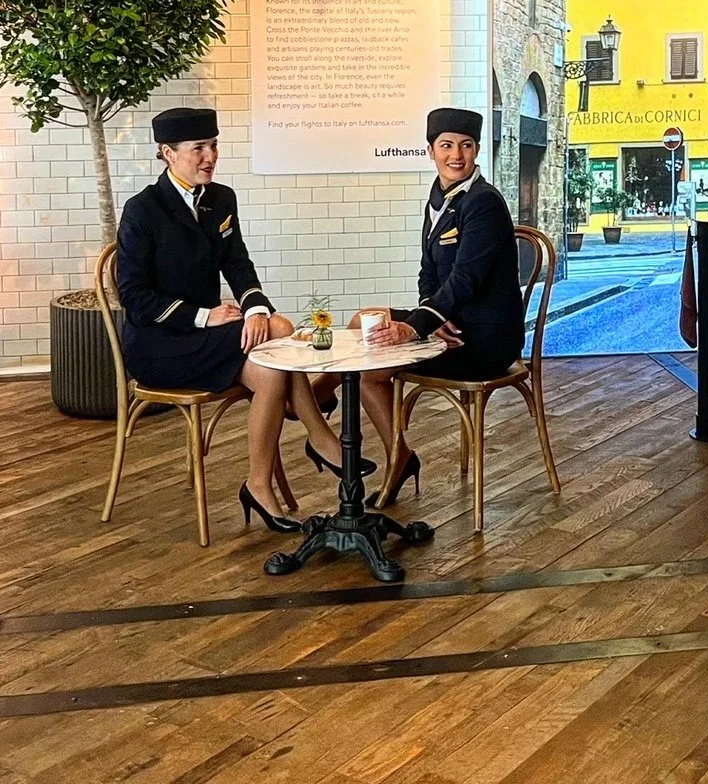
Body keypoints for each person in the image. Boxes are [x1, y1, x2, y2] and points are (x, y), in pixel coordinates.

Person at [117, 106, 356, 534]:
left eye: (213, 145)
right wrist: (205, 316)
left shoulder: (221, 198)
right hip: (159, 344)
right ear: (168, 153)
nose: (209, 156)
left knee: (270, 367)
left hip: (211, 339)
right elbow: (132, 297)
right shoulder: (142, 210)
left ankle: (258, 485)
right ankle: (321, 439)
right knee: (282, 334)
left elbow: (238, 264)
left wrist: (255, 308)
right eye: (198, 149)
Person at [313, 107, 525, 507]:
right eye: (446, 146)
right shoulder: (438, 199)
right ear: (430, 151)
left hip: (484, 339)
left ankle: (385, 450)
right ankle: (327, 404)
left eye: (465, 145)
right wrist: (432, 316)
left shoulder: (484, 203)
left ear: (477, 150)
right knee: (365, 321)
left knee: (370, 364)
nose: (456, 155)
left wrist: (416, 326)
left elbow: (467, 279)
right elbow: (428, 274)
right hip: (453, 323)